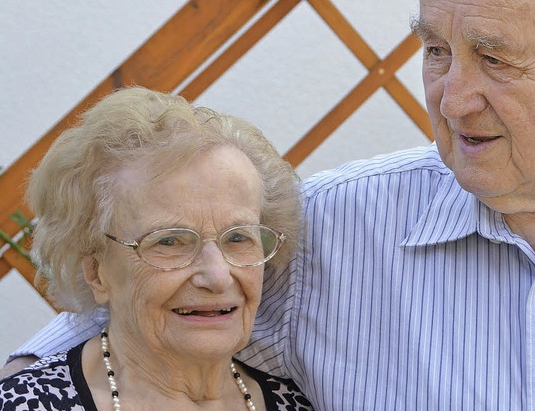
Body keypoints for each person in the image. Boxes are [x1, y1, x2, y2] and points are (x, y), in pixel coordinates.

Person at [4, 0, 535, 408]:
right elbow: (104, 330)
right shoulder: (328, 226)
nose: (452, 100)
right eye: (436, 50)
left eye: (494, 58)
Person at [0, 87, 314, 410]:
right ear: (97, 273)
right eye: (169, 241)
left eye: (238, 238)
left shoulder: (298, 403)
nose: (218, 277)